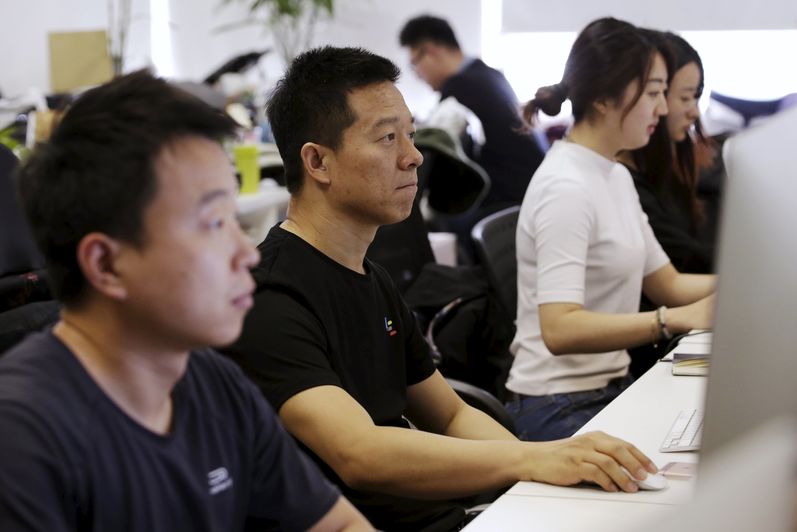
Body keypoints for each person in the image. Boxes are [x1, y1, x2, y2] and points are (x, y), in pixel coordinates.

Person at [223, 45, 659, 532]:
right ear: (318, 162)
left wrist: (546, 469)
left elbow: (450, 414)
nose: (413, 158)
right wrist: (532, 461)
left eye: (410, 135)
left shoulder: (372, 277)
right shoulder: (268, 296)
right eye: (388, 138)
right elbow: (359, 453)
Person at [0, 71, 370, 532]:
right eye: (213, 224)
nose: (244, 255)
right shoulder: (24, 438)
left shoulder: (212, 381)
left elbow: (337, 524)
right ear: (106, 264)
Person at [506, 18, 716, 442]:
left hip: (609, 390)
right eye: (654, 93)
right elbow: (559, 329)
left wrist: (751, 290)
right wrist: (670, 321)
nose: (661, 108)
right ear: (604, 98)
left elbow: (669, 285)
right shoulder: (566, 187)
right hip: (556, 404)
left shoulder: (613, 174)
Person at [398, 15, 545, 213]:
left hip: (509, 199)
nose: (419, 75)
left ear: (432, 51)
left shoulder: (460, 87)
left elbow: (439, 144)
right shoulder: (487, 74)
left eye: (415, 64)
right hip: (533, 187)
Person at [620, 31, 719, 274]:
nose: (694, 112)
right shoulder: (623, 181)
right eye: (685, 98)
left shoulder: (674, 162)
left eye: (696, 98)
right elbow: (677, 277)